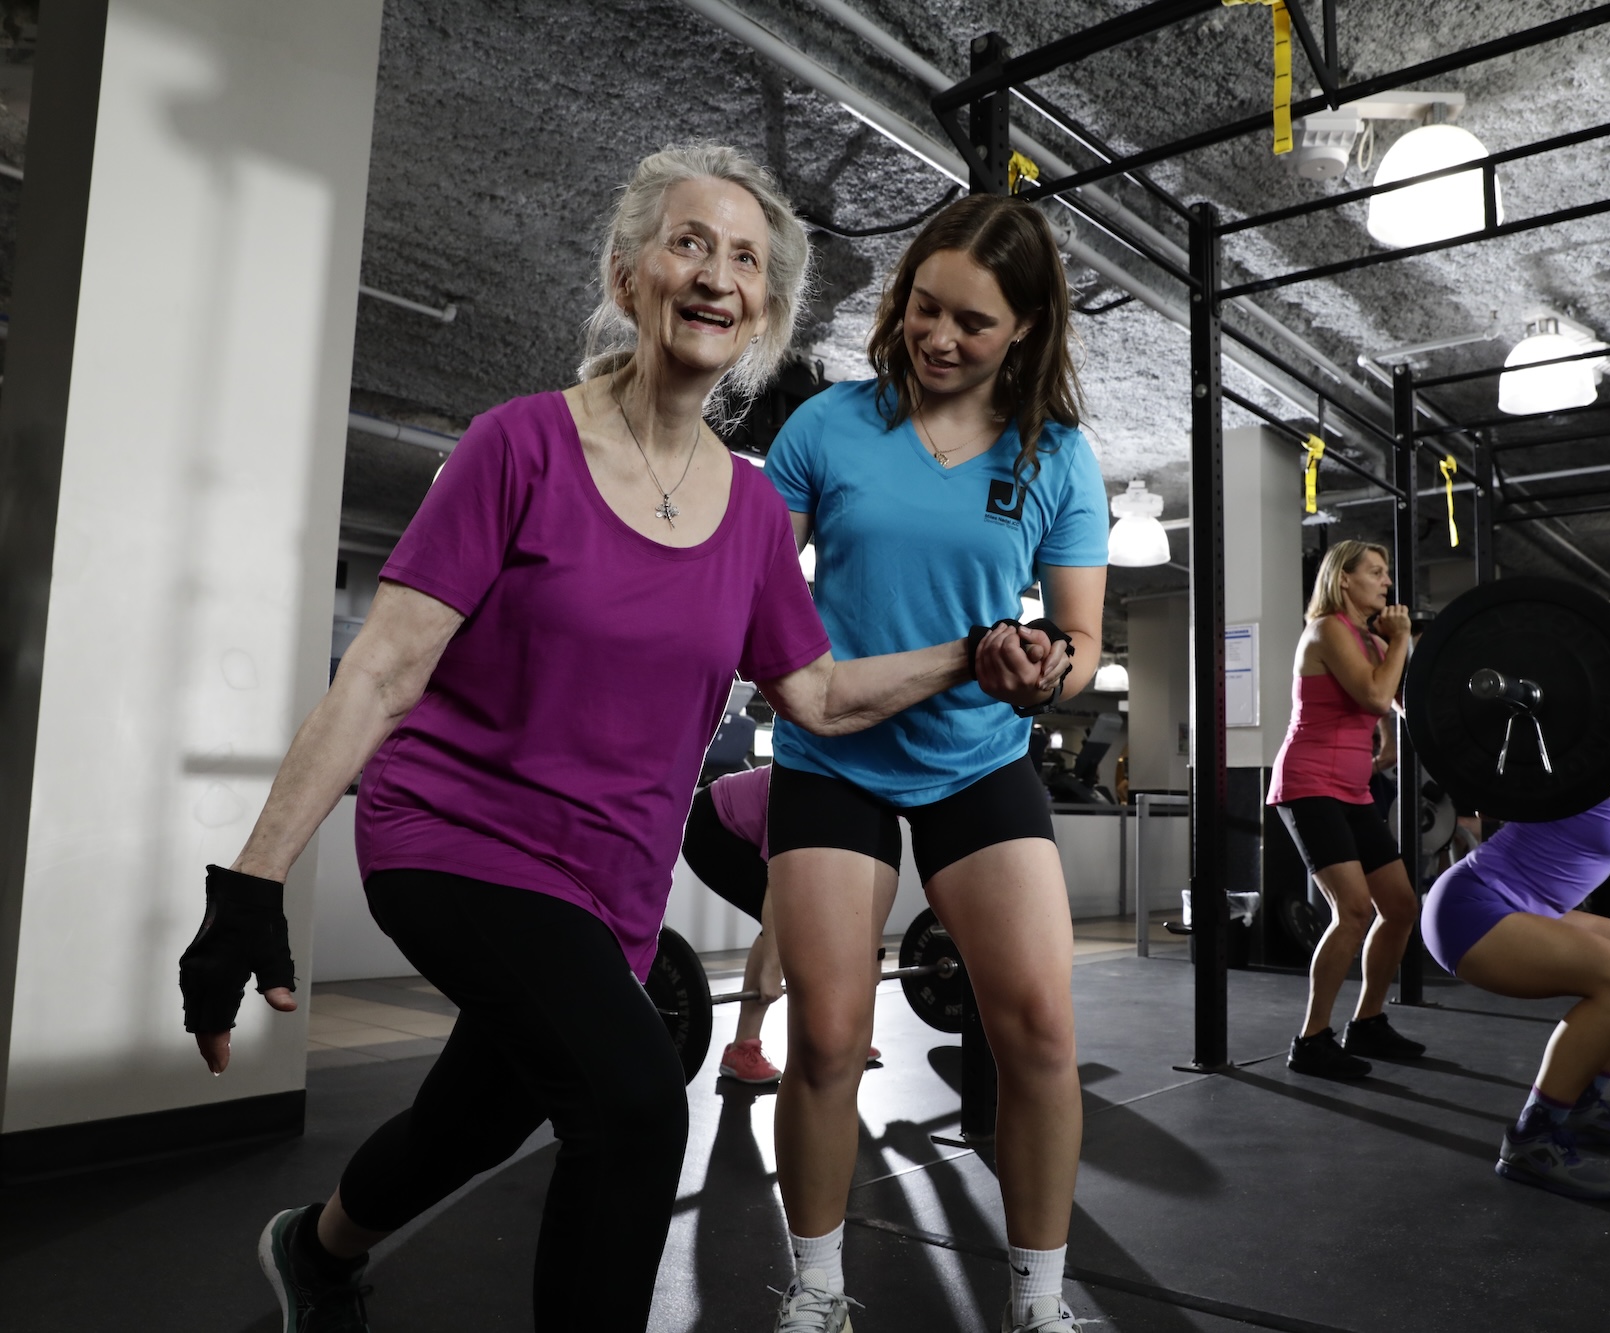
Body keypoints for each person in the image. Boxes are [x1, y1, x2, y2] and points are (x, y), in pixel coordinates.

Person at [174, 143, 1045, 1333]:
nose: (714, 275)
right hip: (453, 835)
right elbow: (381, 671)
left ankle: (318, 1252)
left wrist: (974, 648)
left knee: (477, 1115)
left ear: (766, 316)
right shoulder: (517, 446)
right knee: (636, 1103)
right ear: (628, 273)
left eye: (746, 261)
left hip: (606, 891)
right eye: (688, 242)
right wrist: (251, 878)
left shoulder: (746, 512)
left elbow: (826, 697)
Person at [760, 193, 1108, 1333]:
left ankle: (1039, 1302)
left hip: (975, 755)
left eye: (972, 321)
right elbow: (756, 594)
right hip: (834, 753)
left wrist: (1039, 672)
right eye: (923, 307)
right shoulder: (825, 429)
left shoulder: (1055, 457)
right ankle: (815, 1292)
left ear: (1024, 329)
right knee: (822, 1035)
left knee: (1040, 1035)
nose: (939, 337)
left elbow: (1080, 639)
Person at [1420, 609, 1610, 1201]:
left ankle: (1581, 1099)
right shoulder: (1590, 755)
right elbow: (1499, 759)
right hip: (1475, 908)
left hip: (1535, 907)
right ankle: (1533, 1138)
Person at [1267, 540, 1427, 1081]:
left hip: (1353, 789)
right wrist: (1401, 640)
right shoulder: (1329, 629)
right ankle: (1311, 1039)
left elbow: (1400, 706)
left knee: (1401, 907)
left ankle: (1369, 1021)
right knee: (1354, 911)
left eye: (1387, 573)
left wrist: (1406, 651)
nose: (1386, 582)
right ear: (1344, 581)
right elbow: (1376, 699)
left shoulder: (1370, 639)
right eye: (1376, 572)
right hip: (1309, 784)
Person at [681, 764, 879, 1085]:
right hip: (711, 826)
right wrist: (771, 969)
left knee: (816, 921)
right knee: (791, 921)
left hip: (746, 822)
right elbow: (781, 888)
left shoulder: (871, 800)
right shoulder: (811, 792)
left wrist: (875, 953)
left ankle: (831, 1037)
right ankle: (741, 1049)